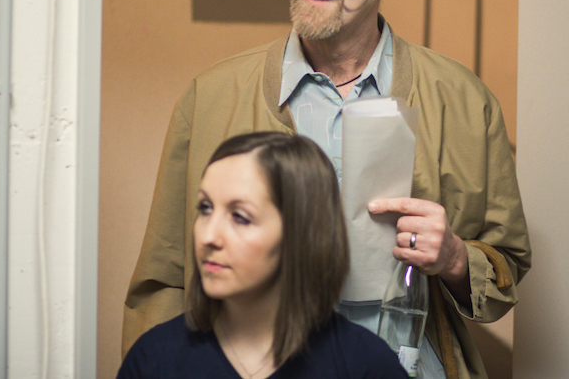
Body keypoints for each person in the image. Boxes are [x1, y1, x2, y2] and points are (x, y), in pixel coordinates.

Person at [124, 0, 531, 379]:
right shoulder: (211, 98)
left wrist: (452, 257)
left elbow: (506, 265)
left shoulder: (464, 102)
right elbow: (164, 281)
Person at [118, 132, 406, 379]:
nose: (208, 237)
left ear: (300, 233)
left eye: (240, 217)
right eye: (205, 208)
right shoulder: (153, 359)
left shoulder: (368, 366)